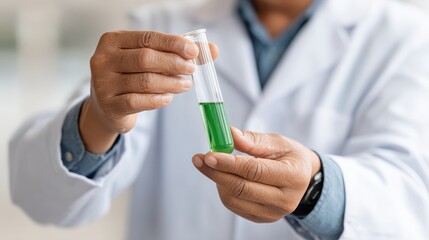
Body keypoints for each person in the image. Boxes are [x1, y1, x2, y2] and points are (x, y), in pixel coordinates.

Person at [8, 0, 429, 239]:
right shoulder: (161, 23)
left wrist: (317, 188)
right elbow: (44, 199)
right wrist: (101, 116)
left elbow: (410, 197)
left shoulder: (407, 37)